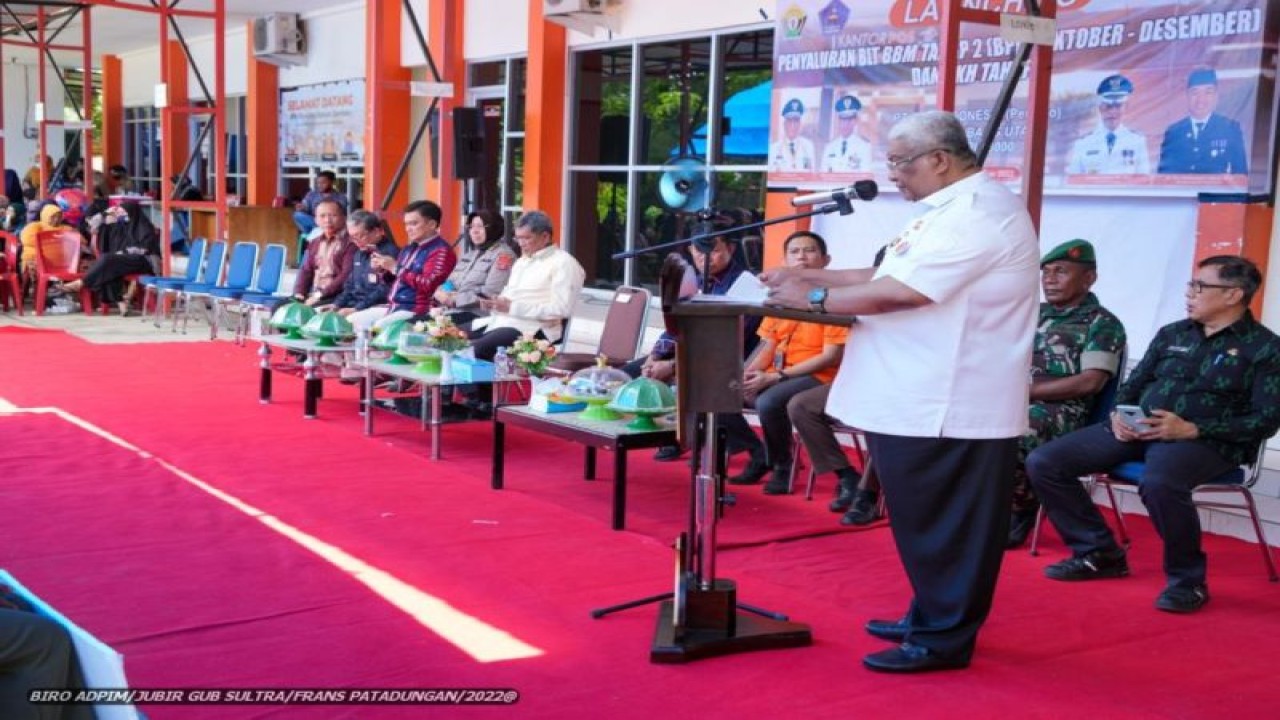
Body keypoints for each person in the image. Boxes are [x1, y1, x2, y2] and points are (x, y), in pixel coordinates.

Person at [762, 110, 1039, 672]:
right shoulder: (942, 212)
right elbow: (883, 275)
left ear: (938, 159)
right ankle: (928, 615)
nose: (891, 174)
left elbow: (904, 293)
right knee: (923, 522)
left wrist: (810, 300)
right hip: (914, 396)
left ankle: (942, 639)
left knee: (947, 527)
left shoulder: (978, 213)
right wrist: (810, 277)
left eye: (898, 162)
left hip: (948, 401)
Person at [1028, 255, 1280, 614]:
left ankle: (1187, 582)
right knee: (1045, 462)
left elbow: (1266, 420)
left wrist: (1193, 428)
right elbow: (1132, 386)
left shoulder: (1266, 349)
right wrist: (1119, 415)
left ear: (1233, 294)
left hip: (1202, 441)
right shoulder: (1173, 334)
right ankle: (1099, 552)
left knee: (1161, 482)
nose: (1189, 293)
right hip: (1136, 429)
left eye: (1200, 286)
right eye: (1191, 285)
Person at [1005, 239, 1127, 548]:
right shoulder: (1031, 313)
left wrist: (1027, 393)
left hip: (1063, 411)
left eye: (1060, 271)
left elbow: (1090, 382)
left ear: (1089, 278)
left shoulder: (1102, 323)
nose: (1049, 280)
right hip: (1014, 400)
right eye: (1045, 272)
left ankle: (1021, 508)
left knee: (1016, 430)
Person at [622, 216, 759, 461]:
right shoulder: (690, 279)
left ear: (730, 249)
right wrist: (655, 356)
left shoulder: (746, 284)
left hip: (730, 358)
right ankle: (675, 434)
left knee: (697, 381)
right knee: (630, 373)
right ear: (690, 250)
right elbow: (673, 324)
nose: (704, 257)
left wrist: (674, 365)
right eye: (698, 250)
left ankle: (753, 449)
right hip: (688, 352)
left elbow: (725, 341)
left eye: (713, 250)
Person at [723, 230, 849, 494]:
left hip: (820, 374)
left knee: (769, 402)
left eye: (809, 250)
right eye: (794, 252)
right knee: (722, 389)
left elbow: (830, 356)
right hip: (779, 371)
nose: (801, 256)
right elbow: (768, 345)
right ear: (785, 260)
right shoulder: (782, 296)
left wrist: (775, 377)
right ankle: (758, 452)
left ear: (826, 260)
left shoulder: (834, 297)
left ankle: (782, 464)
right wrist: (745, 373)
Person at [348, 199, 456, 333]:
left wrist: (395, 268)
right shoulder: (409, 248)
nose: (408, 229)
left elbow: (429, 285)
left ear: (432, 224)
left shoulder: (441, 251)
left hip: (419, 310)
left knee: (377, 329)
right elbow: (396, 280)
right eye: (406, 224)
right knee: (350, 322)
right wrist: (382, 270)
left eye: (414, 223)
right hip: (395, 306)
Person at [60, 201, 160, 315]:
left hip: (144, 261)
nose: (121, 215)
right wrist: (105, 213)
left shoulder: (145, 227)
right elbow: (92, 225)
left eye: (124, 213)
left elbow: (145, 248)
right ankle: (121, 302)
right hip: (127, 260)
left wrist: (123, 252)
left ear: (132, 213)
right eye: (120, 213)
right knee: (108, 268)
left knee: (107, 260)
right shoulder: (122, 226)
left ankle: (82, 283)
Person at [1157, 67, 1248, 175]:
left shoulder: (1229, 129)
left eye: (1208, 92)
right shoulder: (1174, 132)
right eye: (1195, 93)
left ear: (1216, 96)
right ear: (1187, 96)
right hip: (1182, 186)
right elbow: (1164, 175)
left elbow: (1240, 174)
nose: (1201, 99)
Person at [434, 209, 516, 327]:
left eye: (480, 226)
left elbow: (491, 293)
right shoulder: (469, 255)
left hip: (479, 315)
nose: (474, 231)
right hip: (452, 311)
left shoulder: (504, 256)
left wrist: (455, 300)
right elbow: (450, 282)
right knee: (414, 324)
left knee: (429, 330)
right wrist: (441, 292)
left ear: (494, 228)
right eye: (471, 227)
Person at [319, 209, 399, 317]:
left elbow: (385, 290)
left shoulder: (389, 254)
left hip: (377, 306)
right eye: (352, 237)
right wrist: (336, 304)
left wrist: (356, 309)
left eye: (360, 236)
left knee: (345, 321)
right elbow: (350, 285)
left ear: (376, 231)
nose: (356, 241)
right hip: (355, 304)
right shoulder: (359, 253)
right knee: (319, 314)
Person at [1065, 74, 1150, 175]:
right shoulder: (1083, 143)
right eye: (1108, 106)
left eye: (1118, 106)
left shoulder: (1137, 141)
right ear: (1100, 108)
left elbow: (1144, 178)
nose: (1113, 112)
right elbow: (1073, 178)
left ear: (1126, 107)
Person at [291, 199, 354, 307]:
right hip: (314, 293)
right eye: (322, 216)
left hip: (336, 296)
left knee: (311, 311)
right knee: (280, 307)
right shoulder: (315, 242)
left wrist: (320, 295)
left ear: (344, 217)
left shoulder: (351, 243)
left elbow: (346, 275)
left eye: (333, 215)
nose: (327, 220)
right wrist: (299, 292)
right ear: (315, 220)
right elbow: (306, 270)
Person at [820, 94, 873, 173]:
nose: (846, 124)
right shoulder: (830, 147)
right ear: (838, 121)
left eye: (849, 120)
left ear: (855, 121)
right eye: (843, 120)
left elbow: (866, 174)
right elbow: (823, 174)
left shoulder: (864, 147)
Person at [18, 203, 72, 272]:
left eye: (59, 217)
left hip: (62, 262)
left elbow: (79, 241)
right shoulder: (35, 226)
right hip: (35, 259)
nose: (56, 219)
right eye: (53, 217)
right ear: (46, 216)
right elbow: (27, 240)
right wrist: (52, 242)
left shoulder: (66, 228)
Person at [293, 170, 348, 236]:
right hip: (314, 220)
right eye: (318, 183)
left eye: (323, 183)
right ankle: (318, 231)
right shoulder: (312, 194)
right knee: (298, 215)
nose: (320, 185)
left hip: (330, 222)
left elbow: (340, 214)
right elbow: (306, 207)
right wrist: (301, 208)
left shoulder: (341, 197)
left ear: (332, 182)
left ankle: (317, 232)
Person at [768, 99, 816, 172]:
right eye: (789, 121)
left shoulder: (808, 147)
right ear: (784, 124)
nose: (792, 126)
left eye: (796, 121)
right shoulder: (774, 149)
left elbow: (812, 173)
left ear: (800, 124)